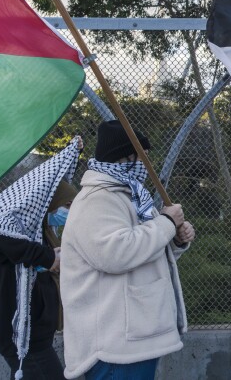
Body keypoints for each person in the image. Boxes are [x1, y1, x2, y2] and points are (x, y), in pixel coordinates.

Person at [60, 120, 195, 380]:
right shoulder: (99, 198)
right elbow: (116, 253)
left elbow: (146, 249)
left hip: (132, 339)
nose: (145, 163)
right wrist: (166, 223)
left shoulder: (130, 195)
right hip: (114, 346)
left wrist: (175, 239)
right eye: (139, 156)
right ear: (124, 158)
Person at [0, 138, 82, 380]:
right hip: (22, 341)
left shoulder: (43, 234)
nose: (70, 212)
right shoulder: (12, 234)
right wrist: (47, 257)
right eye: (66, 205)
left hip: (38, 339)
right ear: (49, 204)